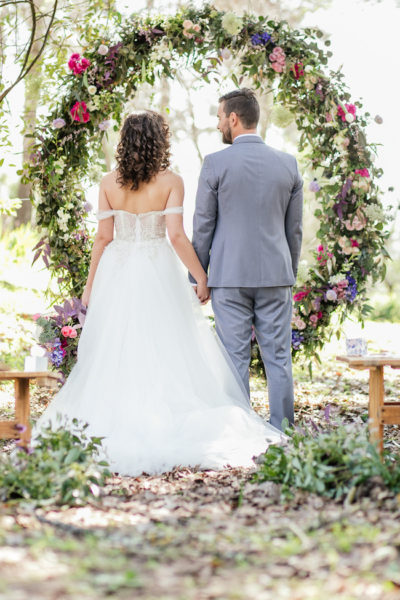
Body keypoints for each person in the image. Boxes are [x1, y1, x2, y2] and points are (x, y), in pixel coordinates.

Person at [35, 110, 283, 476]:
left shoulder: (107, 183)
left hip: (117, 271)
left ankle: (116, 413)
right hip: (156, 269)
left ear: (125, 141)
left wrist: (89, 289)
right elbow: (177, 236)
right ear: (159, 140)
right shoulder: (171, 181)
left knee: (117, 345)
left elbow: (103, 239)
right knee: (165, 342)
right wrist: (201, 276)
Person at [190, 89, 303, 430]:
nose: (219, 123)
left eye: (220, 117)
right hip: (276, 275)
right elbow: (294, 230)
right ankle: (283, 431)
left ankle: (241, 431)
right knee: (279, 357)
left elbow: (203, 225)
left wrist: (198, 278)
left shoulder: (215, 164)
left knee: (234, 358)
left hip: (229, 277)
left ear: (234, 119)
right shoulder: (288, 164)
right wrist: (288, 271)